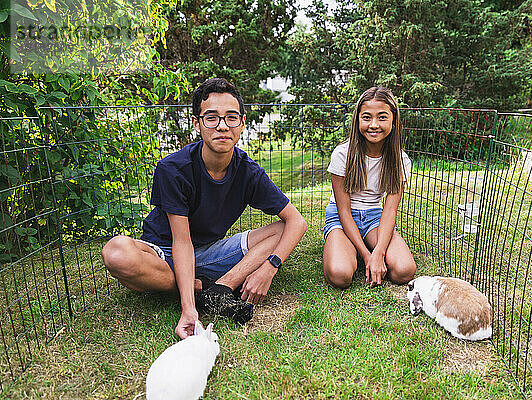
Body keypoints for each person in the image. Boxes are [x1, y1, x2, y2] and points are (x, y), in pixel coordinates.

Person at [101, 78, 307, 339]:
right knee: (117, 254)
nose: (222, 126)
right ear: (197, 124)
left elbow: (297, 222)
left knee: (282, 230)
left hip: (209, 255)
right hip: (163, 255)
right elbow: (182, 242)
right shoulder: (173, 169)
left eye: (231, 117)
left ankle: (219, 289)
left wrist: (269, 267)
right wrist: (188, 310)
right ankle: (192, 289)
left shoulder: (248, 171)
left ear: (242, 123)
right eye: (211, 117)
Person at [322, 86, 416, 289]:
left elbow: (390, 209)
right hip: (341, 218)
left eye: (382, 117)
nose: (374, 125)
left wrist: (379, 253)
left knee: (404, 271)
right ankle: (348, 246)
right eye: (367, 117)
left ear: (393, 120)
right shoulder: (342, 154)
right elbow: (343, 210)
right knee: (341, 275)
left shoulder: (400, 160)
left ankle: (360, 245)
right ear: (357, 120)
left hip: (374, 217)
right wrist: (367, 256)